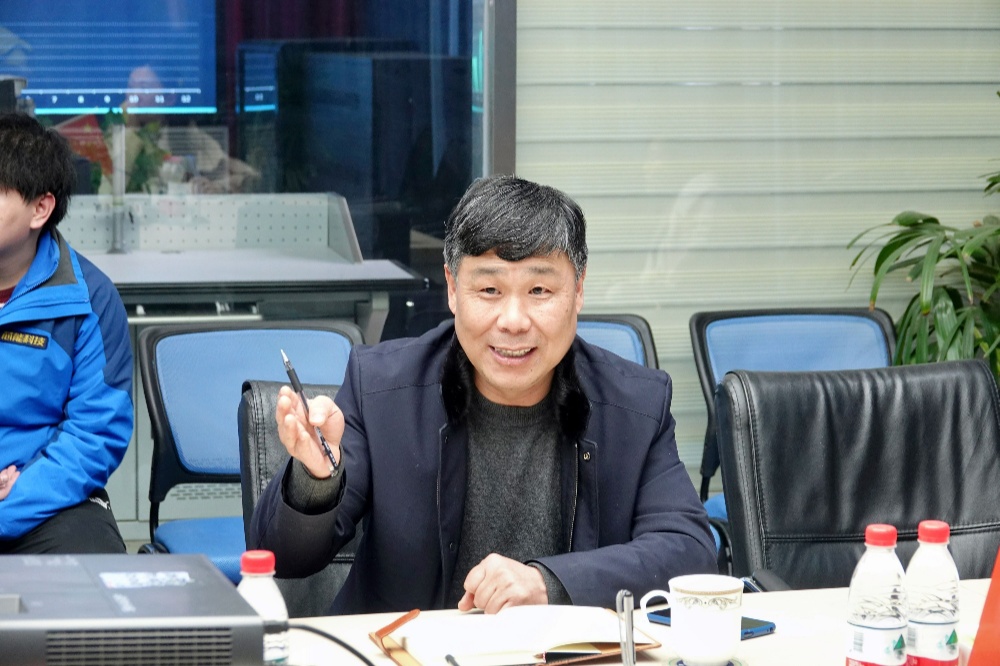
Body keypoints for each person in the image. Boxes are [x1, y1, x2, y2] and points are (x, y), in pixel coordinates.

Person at [250, 174, 717, 614]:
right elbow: (281, 558)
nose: (513, 321)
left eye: (539, 289)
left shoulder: (635, 405)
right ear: (453, 290)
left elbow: (690, 553)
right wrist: (317, 479)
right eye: (489, 289)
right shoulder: (382, 389)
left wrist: (548, 583)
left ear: (578, 291)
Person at [0, 112, 133, 553]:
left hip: (45, 496)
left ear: (41, 208)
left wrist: (13, 501)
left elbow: (95, 435)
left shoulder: (89, 299)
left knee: (95, 566)